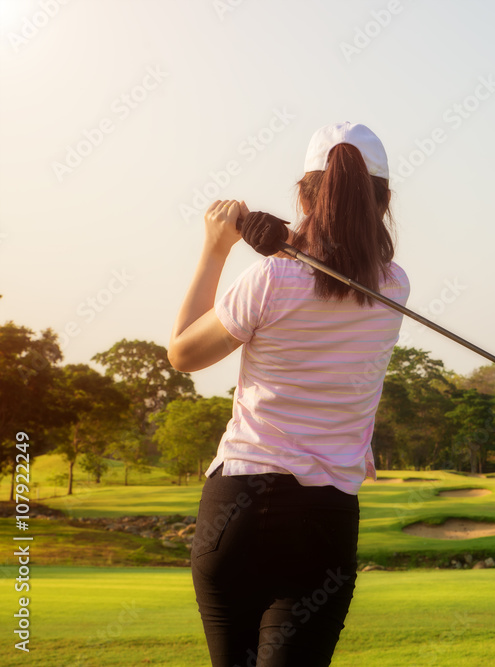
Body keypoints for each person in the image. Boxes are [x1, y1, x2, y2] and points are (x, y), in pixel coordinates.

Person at [168, 122, 409, 666]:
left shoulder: (271, 281)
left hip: (237, 510)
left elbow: (182, 354)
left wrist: (216, 248)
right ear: (384, 200)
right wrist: (280, 244)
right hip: (322, 521)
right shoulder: (395, 288)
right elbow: (338, 269)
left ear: (303, 194)